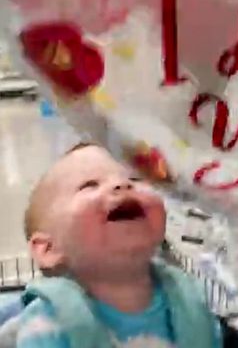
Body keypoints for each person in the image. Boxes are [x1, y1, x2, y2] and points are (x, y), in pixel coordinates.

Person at [13, 143, 222, 348]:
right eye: (90, 184)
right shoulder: (48, 322)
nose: (123, 185)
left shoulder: (193, 303)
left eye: (135, 179)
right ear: (49, 248)